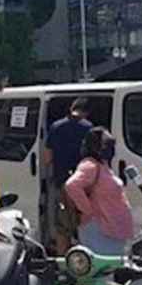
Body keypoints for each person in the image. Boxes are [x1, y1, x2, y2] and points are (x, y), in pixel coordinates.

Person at [64, 127, 134, 255]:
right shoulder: (90, 165)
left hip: (112, 231)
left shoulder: (103, 165)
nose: (111, 149)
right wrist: (88, 210)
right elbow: (71, 185)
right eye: (107, 145)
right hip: (99, 230)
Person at [44, 98, 93, 253]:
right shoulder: (89, 128)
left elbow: (47, 157)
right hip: (83, 185)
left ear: (72, 107)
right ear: (86, 112)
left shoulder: (56, 127)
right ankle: (83, 261)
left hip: (62, 182)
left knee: (62, 226)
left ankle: (62, 262)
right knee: (84, 224)